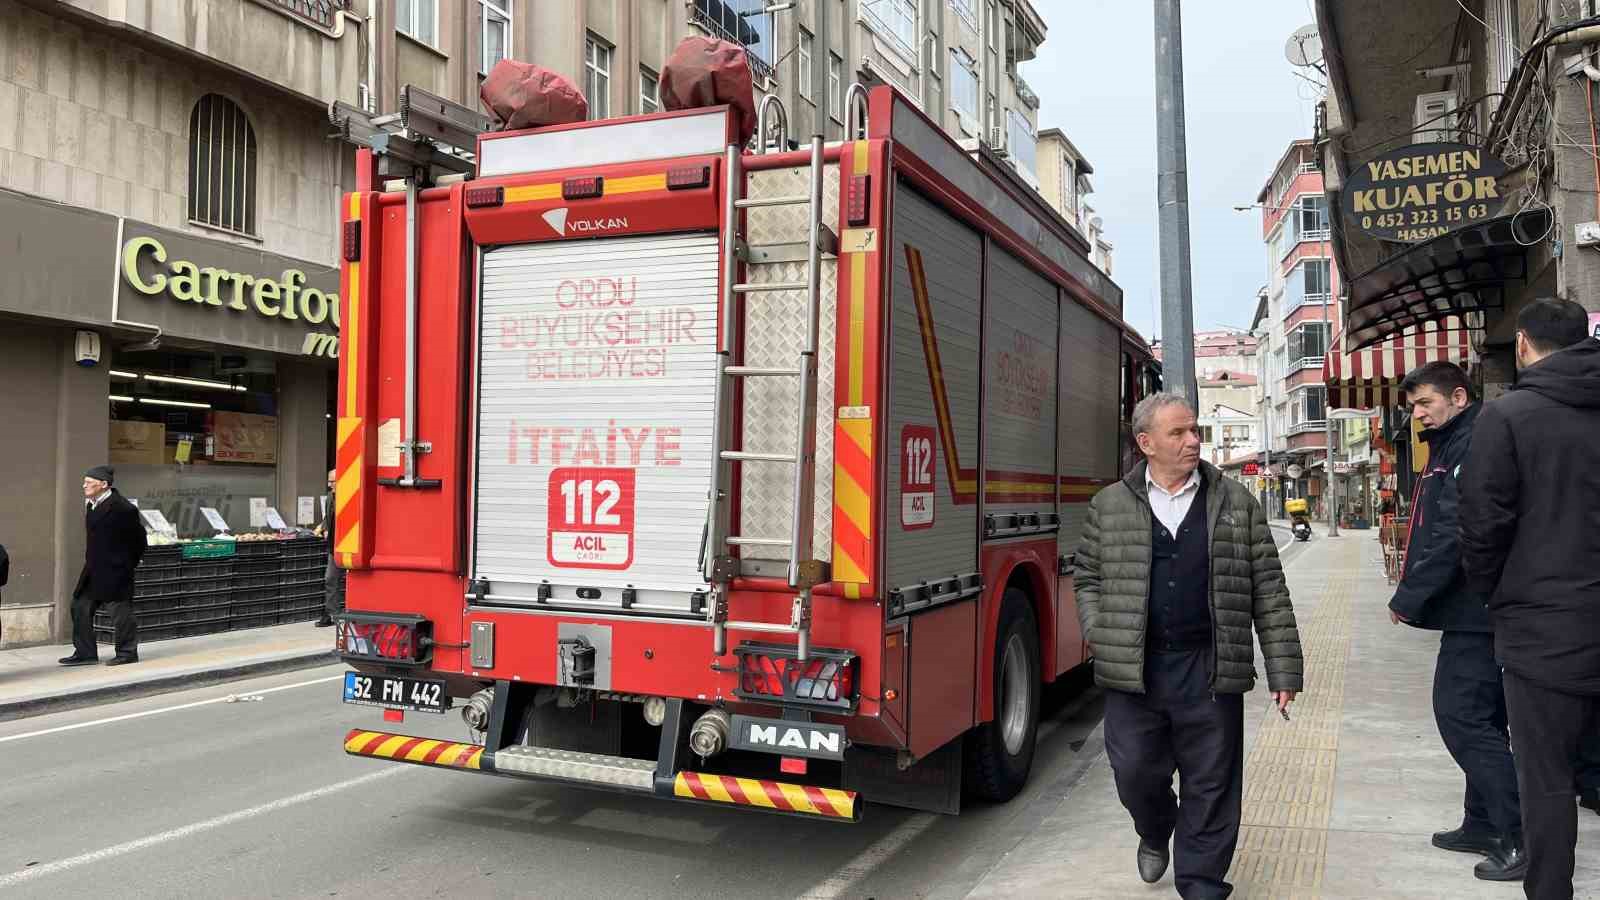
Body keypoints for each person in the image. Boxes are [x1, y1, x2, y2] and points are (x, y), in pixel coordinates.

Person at [1076, 393, 1303, 900]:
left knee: (1212, 782)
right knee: (1135, 770)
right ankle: (1155, 830)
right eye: (1178, 433)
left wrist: (1283, 669)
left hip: (1209, 665)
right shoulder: (1109, 505)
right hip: (1136, 668)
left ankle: (1201, 884)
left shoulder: (1235, 502)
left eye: (1194, 430)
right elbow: (1087, 576)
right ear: (1145, 443)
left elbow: (1268, 586)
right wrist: (1098, 627)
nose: (1193, 441)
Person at [1460, 297, 1600, 899]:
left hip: (1543, 628)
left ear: (1522, 345)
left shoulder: (1509, 416)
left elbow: (1483, 524)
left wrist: (1495, 594)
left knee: (1545, 777)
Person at [1387, 360, 1524, 880]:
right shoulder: (1453, 442)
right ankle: (1482, 822)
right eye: (1413, 406)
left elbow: (1456, 532)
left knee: (1461, 716)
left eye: (1425, 403)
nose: (1417, 414)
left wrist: (1410, 595)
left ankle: (1521, 834)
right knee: (1484, 717)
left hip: (1477, 609)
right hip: (1474, 610)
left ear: (1459, 398)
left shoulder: (1473, 444)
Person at [60, 465, 147, 666]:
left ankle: (127, 652)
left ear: (104, 485)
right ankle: (85, 653)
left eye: (89, 482)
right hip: (92, 569)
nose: (84, 485)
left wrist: (126, 565)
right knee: (79, 606)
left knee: (120, 612)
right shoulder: (91, 504)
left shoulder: (123, 508)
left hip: (116, 570)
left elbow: (139, 540)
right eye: (85, 482)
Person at [316, 468, 345, 628]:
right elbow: (327, 517)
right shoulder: (329, 497)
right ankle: (333, 613)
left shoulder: (348, 496)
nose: (330, 485)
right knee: (330, 578)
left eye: (333, 481)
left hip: (347, 545)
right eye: (329, 481)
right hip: (333, 545)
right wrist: (325, 528)